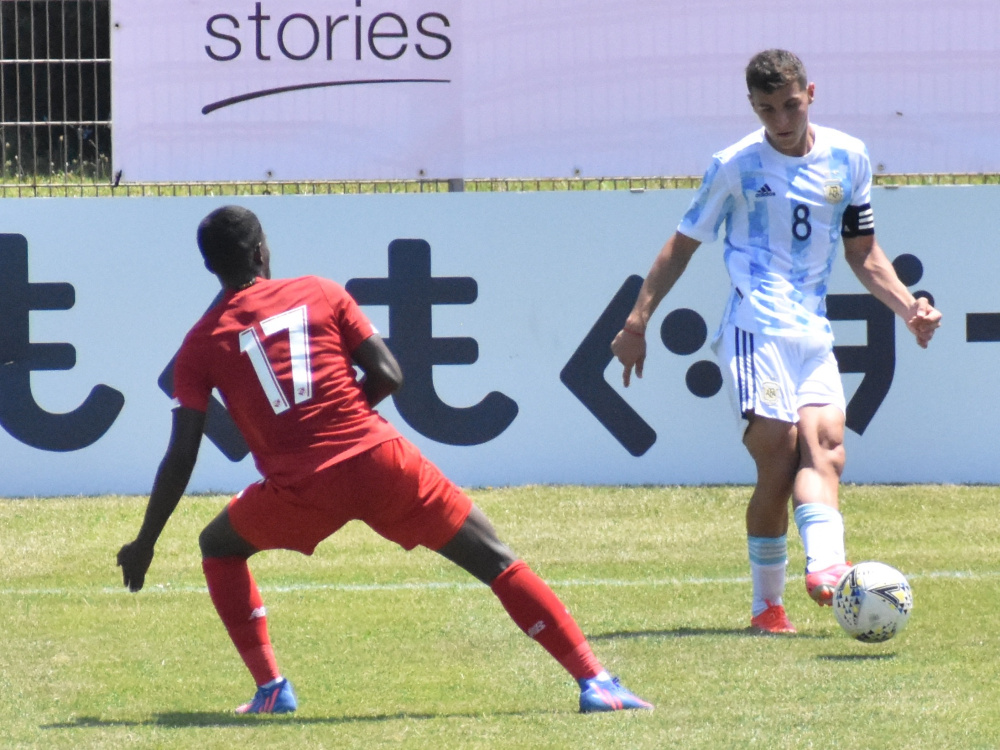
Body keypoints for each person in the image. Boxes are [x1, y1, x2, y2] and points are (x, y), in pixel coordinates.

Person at [117, 205, 652, 715]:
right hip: (380, 462)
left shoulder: (200, 344)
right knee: (494, 558)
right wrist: (345, 416)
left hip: (300, 490)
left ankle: (271, 688)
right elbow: (390, 374)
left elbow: (182, 453)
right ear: (261, 251)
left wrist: (146, 543)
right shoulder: (321, 291)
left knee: (218, 546)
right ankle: (595, 681)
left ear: (209, 267)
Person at [611, 49, 941, 634]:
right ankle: (768, 604)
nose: (782, 121)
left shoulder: (849, 157)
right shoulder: (735, 165)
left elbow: (863, 252)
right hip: (753, 328)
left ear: (810, 93)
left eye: (790, 105)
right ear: (752, 106)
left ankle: (827, 568)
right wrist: (637, 323)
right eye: (767, 110)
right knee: (781, 452)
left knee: (827, 445)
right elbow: (680, 246)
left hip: (811, 330)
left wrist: (907, 307)